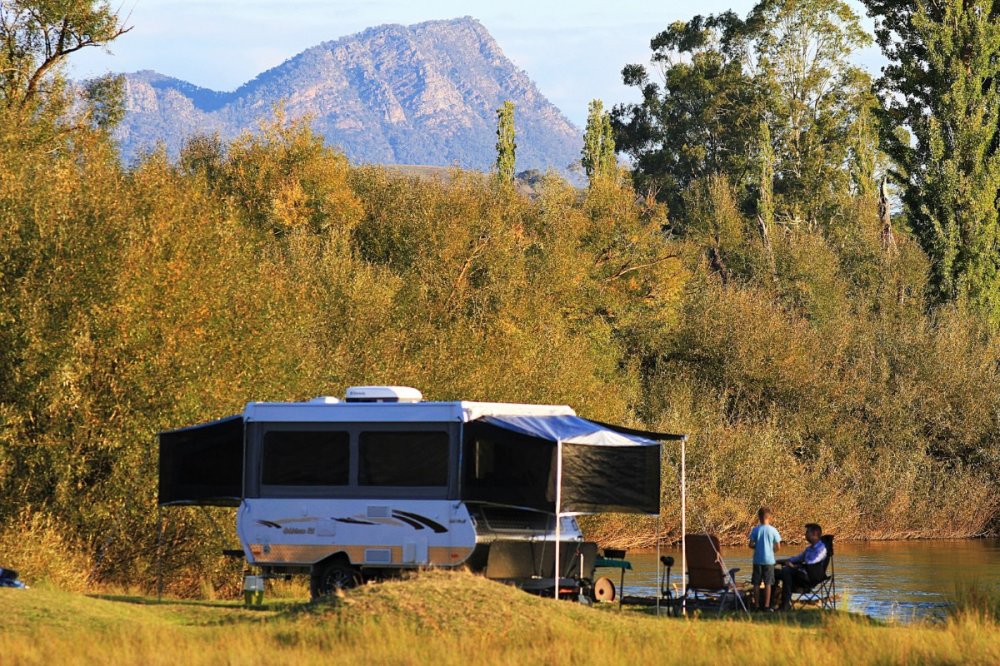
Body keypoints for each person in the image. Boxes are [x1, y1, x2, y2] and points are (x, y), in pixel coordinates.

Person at [777, 523, 828, 611]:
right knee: (774, 572)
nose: (805, 534)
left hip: (810, 577)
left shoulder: (822, 549)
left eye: (807, 532)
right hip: (801, 574)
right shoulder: (809, 549)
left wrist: (793, 566)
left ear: (814, 533)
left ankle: (785, 604)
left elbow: (812, 564)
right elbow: (797, 558)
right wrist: (778, 561)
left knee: (786, 571)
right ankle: (770, 603)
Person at [748, 506, 781, 612]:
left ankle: (756, 605)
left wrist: (756, 547)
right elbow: (778, 546)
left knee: (756, 583)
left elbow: (751, 544)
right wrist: (772, 552)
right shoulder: (773, 530)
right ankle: (767, 605)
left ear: (759, 518)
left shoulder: (755, 529)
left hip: (757, 560)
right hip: (769, 561)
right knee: (768, 583)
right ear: (769, 517)